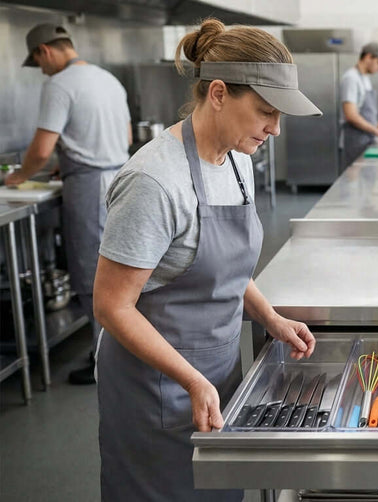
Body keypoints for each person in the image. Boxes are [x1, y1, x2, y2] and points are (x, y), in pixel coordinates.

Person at [93, 19, 320, 500]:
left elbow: (227, 271)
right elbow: (112, 306)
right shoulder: (154, 182)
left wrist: (270, 317)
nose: (274, 129)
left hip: (215, 376)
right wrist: (191, 380)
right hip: (154, 387)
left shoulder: (238, 160)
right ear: (218, 93)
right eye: (265, 112)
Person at [6, 23, 131, 385]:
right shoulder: (107, 79)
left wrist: (17, 177)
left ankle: (104, 361)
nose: (41, 70)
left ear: (45, 51)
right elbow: (122, 136)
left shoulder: (58, 85)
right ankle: (117, 350)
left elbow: (42, 149)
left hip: (89, 186)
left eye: (38, 62)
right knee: (120, 268)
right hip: (119, 178)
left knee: (92, 274)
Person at [339, 42, 378, 169]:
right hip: (355, 142)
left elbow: (367, 114)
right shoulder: (351, 78)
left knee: (367, 182)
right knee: (353, 184)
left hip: (366, 139)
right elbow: (351, 115)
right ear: (368, 57)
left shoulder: (364, 79)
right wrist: (377, 132)